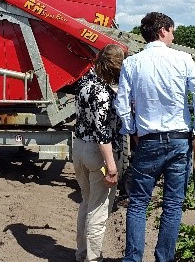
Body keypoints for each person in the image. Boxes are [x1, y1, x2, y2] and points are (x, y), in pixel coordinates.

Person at [113, 12, 195, 262]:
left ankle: (133, 259)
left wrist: (131, 129)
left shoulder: (132, 63)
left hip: (147, 141)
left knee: (137, 204)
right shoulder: (183, 59)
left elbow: (122, 103)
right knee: (172, 204)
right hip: (179, 141)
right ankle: (163, 258)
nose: (173, 35)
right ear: (162, 31)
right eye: (172, 30)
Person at [72, 43, 127, 262]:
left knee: (86, 202)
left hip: (79, 147)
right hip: (98, 153)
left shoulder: (86, 81)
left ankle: (81, 253)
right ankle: (93, 259)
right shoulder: (104, 93)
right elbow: (103, 133)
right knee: (99, 210)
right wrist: (112, 166)